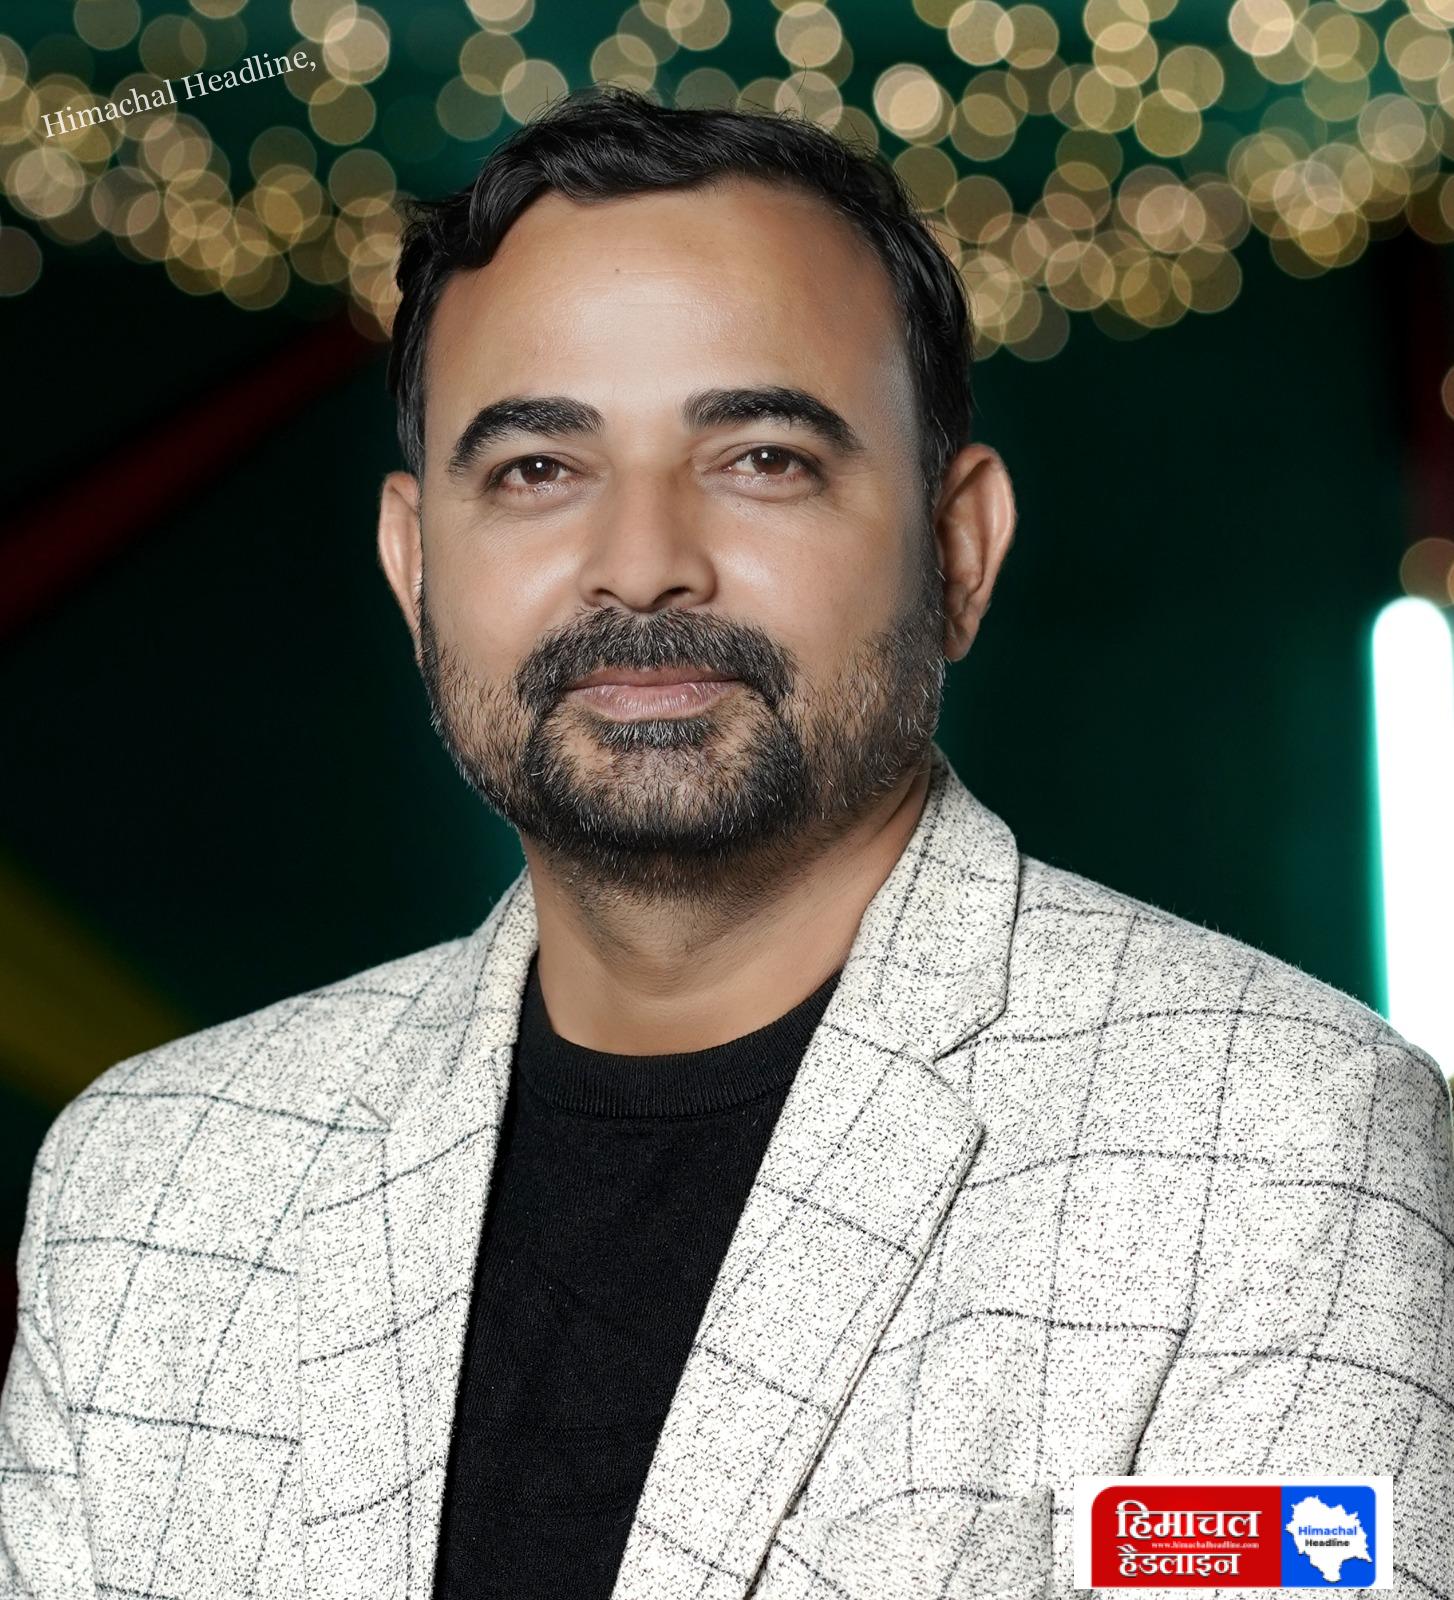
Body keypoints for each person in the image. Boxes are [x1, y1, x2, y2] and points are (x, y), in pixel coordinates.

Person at [2, 85, 1449, 1600]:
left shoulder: (1273, 1146)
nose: (641, 566)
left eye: (761, 457)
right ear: (414, 565)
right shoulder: (153, 1181)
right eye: (536, 469)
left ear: (958, 550)